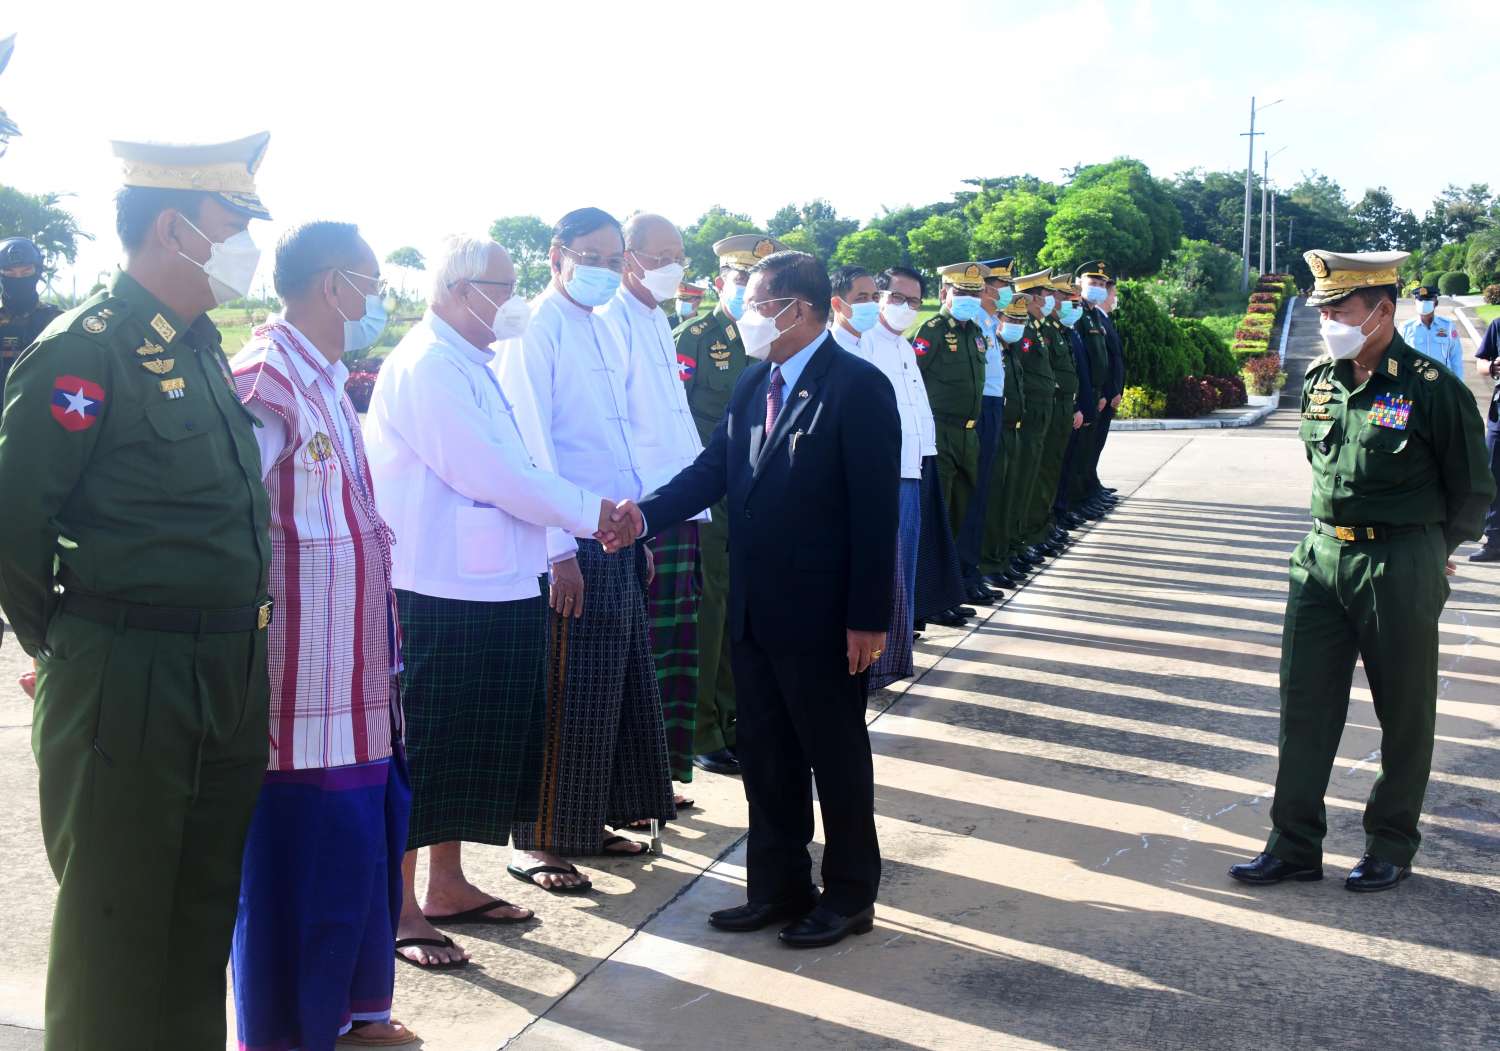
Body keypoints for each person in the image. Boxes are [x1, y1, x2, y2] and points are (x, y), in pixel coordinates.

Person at [0, 133, 275, 1050]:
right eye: (232, 224)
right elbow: (13, 524)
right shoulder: (85, 350)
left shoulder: (199, 348)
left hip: (226, 668)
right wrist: (65, 644)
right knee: (114, 932)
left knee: (195, 922)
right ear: (172, 228)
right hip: (127, 670)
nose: (246, 246)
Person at [615, 249, 900, 948]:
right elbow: (712, 469)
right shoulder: (754, 382)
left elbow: (875, 513)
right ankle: (778, 887)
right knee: (768, 757)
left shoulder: (858, 387)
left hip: (824, 618)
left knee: (835, 758)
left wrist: (868, 617)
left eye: (756, 304)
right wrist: (643, 516)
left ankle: (850, 895)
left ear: (795, 310)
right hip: (754, 611)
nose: (747, 315)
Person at [364, 234, 629, 958]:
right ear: (458, 291)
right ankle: (398, 905)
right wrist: (593, 513)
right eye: (501, 289)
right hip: (436, 588)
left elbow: (518, 465)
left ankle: (447, 885)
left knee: (468, 743)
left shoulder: (470, 361)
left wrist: (577, 520)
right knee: (426, 745)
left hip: (490, 582)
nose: (513, 302)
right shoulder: (427, 364)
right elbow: (491, 472)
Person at [1229, 249, 1494, 893]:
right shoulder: (1321, 380)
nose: (1328, 324)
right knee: (1304, 706)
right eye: (1323, 312)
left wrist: (1436, 553)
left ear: (1382, 310)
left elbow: (1473, 488)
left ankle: (1391, 843)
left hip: (1398, 561)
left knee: (1404, 711)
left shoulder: (1431, 387)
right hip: (1321, 557)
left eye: (1340, 312)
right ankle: (1293, 845)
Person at [230, 222, 415, 1049]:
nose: (379, 299)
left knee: (358, 858)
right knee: (299, 877)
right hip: (298, 693)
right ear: (334, 283)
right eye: (372, 282)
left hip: (354, 681)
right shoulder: (264, 381)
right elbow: (225, 522)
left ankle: (352, 1015)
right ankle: (287, 1033)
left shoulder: (327, 379)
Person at [501, 207, 676, 884]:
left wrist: (639, 528)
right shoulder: (535, 328)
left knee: (610, 690)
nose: (602, 271)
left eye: (612, 260)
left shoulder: (600, 328)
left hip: (614, 534)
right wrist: (557, 551)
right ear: (556, 256)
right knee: (564, 692)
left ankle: (586, 820)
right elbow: (532, 447)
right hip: (570, 538)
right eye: (590, 258)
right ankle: (537, 838)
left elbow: (616, 437)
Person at [598, 213, 707, 806]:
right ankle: (632, 793)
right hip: (642, 512)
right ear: (630, 259)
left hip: (680, 502)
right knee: (639, 657)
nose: (673, 267)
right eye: (661, 256)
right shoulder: (609, 320)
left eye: (679, 255)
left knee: (673, 651)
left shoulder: (658, 320)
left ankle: (659, 782)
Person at [673, 232, 784, 776]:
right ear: (721, 281)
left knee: (749, 608)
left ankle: (737, 718)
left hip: (759, 495)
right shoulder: (694, 338)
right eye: (740, 279)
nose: (748, 290)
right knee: (712, 610)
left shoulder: (772, 339)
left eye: (757, 282)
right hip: (711, 498)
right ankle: (703, 730)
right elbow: (675, 421)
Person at [829, 264, 922, 687]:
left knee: (889, 575)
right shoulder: (834, 350)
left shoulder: (870, 345)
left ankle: (878, 666)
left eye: (872, 297)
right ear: (838, 303)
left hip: (890, 469)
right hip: (850, 484)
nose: (870, 306)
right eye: (862, 298)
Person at [955, 258, 1015, 601]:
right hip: (978, 411)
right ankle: (963, 574)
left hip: (992, 407)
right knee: (971, 494)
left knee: (983, 493)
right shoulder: (975, 321)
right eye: (1001, 287)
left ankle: (971, 570)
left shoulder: (989, 323)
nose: (1005, 293)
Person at [1001, 269, 1059, 578]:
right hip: (1023, 414)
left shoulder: (1037, 328)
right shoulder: (1021, 329)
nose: (1051, 299)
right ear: (1033, 297)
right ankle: (1011, 544)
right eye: (1047, 294)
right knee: (1017, 483)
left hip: (1036, 411)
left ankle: (1019, 540)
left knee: (1029, 479)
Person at [980, 293, 1033, 588]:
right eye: (1011, 318)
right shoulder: (994, 347)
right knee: (995, 500)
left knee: (1008, 497)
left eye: (1021, 320)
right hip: (998, 428)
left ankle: (1002, 556)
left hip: (1013, 429)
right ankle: (989, 561)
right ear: (998, 319)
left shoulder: (1009, 351)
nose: (1015, 324)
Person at [1071, 261, 1119, 517]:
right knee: (1078, 454)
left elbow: (1104, 358)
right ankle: (1076, 501)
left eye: (1102, 284)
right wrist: (1090, 396)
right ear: (1080, 284)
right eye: (1093, 283)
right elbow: (1081, 362)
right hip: (1086, 393)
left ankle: (1085, 497)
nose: (1098, 288)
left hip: (1097, 393)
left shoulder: (1093, 315)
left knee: (1087, 451)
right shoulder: (1077, 314)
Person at [1054, 283, 1096, 531]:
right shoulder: (1056, 333)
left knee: (1068, 464)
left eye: (1077, 303)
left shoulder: (1069, 333)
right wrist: (1076, 406)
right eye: (1070, 303)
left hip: (1073, 407)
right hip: (1061, 409)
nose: (1075, 308)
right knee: (1056, 469)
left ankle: (1063, 510)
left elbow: (1080, 374)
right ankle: (1056, 515)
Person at [1, 236, 61, 392]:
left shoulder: (58, 321)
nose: (18, 278)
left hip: (40, 402)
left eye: (26, 271)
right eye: (9, 272)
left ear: (38, 271)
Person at [1472, 315, 1500, 563]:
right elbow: (1480, 361)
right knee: (1492, 475)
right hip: (1499, 416)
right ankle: (1494, 541)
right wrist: (1492, 367)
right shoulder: (1498, 325)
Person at [1399, 284, 1464, 378]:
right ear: (1415, 302)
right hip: (1415, 382)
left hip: (1442, 381)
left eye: (1428, 300)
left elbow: (1455, 357)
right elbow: (1399, 357)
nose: (1423, 303)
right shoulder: (1406, 328)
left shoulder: (1448, 326)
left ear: (1436, 303)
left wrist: (1459, 383)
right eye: (1420, 300)